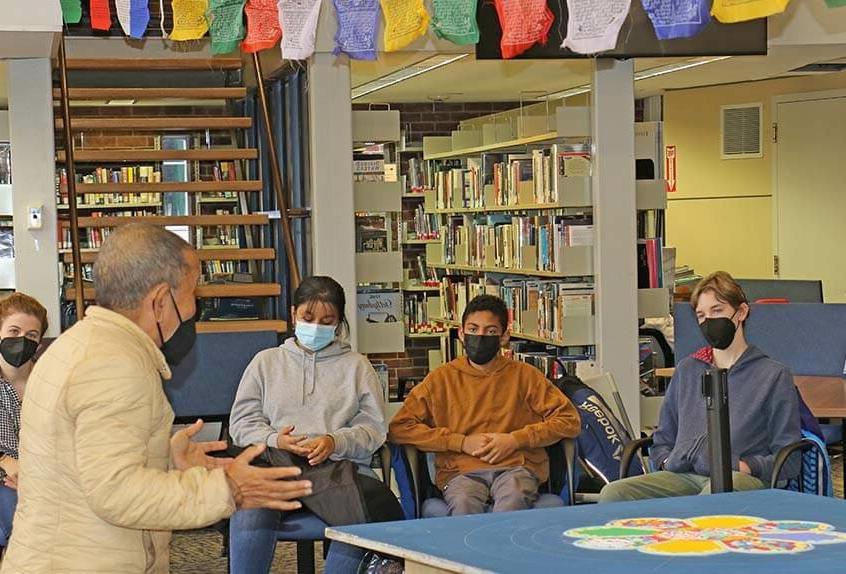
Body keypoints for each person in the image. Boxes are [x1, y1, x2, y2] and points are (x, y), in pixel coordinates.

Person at [1, 223, 313, 573]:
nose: (196, 307)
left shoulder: (74, 347)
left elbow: (82, 460)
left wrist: (164, 456)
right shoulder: (114, 365)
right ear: (161, 300)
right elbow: (116, 491)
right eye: (193, 293)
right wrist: (227, 488)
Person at [227, 275, 387, 574]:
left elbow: (374, 430)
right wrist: (275, 439)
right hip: (277, 467)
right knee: (249, 507)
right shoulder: (265, 362)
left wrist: (334, 441)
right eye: (308, 317)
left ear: (339, 324)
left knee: (357, 518)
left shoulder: (357, 367)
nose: (316, 327)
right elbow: (241, 423)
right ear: (293, 314)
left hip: (339, 472)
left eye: (327, 321)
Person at [599, 271, 801, 503]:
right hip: (685, 475)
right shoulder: (688, 369)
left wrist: (745, 466)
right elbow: (663, 439)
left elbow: (789, 458)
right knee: (614, 494)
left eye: (717, 311)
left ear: (741, 312)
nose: (709, 322)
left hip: (741, 478)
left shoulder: (772, 375)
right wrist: (667, 461)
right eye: (701, 316)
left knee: (712, 498)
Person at [389, 294, 581, 516]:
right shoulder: (440, 379)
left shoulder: (526, 376)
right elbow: (400, 428)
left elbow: (569, 420)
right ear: (460, 333)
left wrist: (514, 440)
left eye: (490, 332)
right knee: (463, 502)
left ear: (504, 337)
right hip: (461, 471)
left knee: (514, 495)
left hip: (516, 467)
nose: (480, 336)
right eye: (472, 329)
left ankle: (502, 552)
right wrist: (460, 442)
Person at [0, 293, 48, 547]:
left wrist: (35, 475)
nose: (21, 340)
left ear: (39, 344)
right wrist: (6, 462)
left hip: (46, 474)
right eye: (14, 331)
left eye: (31, 335)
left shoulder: (53, 380)